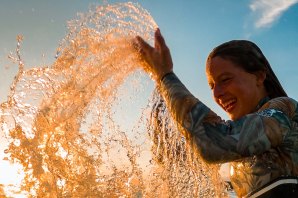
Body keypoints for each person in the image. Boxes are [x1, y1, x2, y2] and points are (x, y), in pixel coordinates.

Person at [134, 28, 298, 197]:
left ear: (259, 76)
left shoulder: (284, 110)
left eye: (225, 80)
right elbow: (181, 159)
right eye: (212, 86)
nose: (217, 94)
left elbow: (211, 144)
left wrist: (165, 76)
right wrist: (161, 94)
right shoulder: (241, 146)